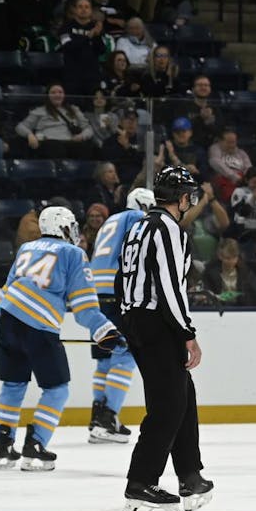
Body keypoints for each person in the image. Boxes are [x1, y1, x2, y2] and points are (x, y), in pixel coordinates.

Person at [0, 206, 121, 473]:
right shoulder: (73, 253)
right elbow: (85, 307)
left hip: (6, 319)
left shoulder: (26, 248)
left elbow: (7, 289)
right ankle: (36, 444)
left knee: (13, 384)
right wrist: (105, 331)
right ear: (63, 228)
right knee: (57, 389)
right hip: (39, 326)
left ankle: (3, 445)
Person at [116, 166, 214, 511]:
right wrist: (187, 333)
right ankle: (140, 485)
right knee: (169, 404)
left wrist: (127, 321)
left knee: (181, 394)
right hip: (158, 323)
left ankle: (190, 475)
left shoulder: (138, 225)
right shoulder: (168, 229)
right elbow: (170, 286)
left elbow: (121, 279)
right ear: (184, 198)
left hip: (139, 319)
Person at [85, 187, 157, 444]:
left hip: (96, 293)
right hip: (117, 292)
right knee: (127, 354)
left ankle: (98, 418)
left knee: (105, 358)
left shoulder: (109, 221)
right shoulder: (136, 218)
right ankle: (108, 418)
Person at [203, 238, 256, 306]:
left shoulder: (246, 274)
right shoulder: (210, 274)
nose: (232, 261)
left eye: (234, 257)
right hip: (218, 311)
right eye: (228, 258)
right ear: (220, 256)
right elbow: (207, 294)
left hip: (241, 311)